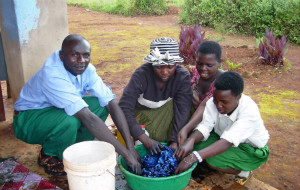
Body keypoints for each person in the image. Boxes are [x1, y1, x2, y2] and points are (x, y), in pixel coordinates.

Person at [13, 34, 141, 176]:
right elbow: (88, 118)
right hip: (28, 119)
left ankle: (73, 146)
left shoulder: (88, 69)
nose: (81, 61)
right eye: (75, 55)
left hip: (55, 111)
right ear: (62, 56)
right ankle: (50, 154)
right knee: (71, 119)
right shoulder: (52, 74)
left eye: (86, 55)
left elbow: (110, 103)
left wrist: (130, 146)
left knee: (99, 104)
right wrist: (127, 156)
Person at [175, 71, 270, 185]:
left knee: (213, 159)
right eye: (216, 99)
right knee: (193, 146)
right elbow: (205, 126)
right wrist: (191, 140)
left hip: (249, 149)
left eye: (224, 102)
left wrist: (193, 157)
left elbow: (228, 141)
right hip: (223, 138)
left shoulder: (249, 111)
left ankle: (243, 172)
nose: (218, 105)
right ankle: (223, 158)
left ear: (238, 97)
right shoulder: (213, 103)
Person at [119, 37, 193, 155]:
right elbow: (124, 107)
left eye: (170, 67)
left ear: (176, 64)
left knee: (190, 105)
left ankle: (168, 139)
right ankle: (148, 138)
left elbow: (183, 110)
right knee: (139, 140)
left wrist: (175, 141)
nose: (164, 72)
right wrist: (145, 139)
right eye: (158, 66)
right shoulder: (141, 75)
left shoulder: (181, 77)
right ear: (152, 63)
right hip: (142, 115)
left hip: (165, 112)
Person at [177, 41, 223, 146]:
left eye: (209, 65)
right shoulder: (195, 72)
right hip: (190, 115)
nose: (203, 68)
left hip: (210, 122)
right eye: (199, 63)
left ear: (219, 62)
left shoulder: (222, 82)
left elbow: (206, 107)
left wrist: (186, 129)